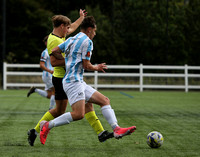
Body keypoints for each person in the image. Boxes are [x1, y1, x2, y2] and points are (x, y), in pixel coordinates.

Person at [39, 16, 136, 145]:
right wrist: (97, 67)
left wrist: (69, 60)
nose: (94, 34)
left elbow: (55, 50)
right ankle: (47, 125)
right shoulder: (88, 42)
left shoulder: (73, 38)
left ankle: (116, 129)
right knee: (79, 114)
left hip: (76, 81)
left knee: (104, 100)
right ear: (89, 30)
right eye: (94, 31)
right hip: (73, 82)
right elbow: (86, 65)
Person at [28, 10, 113, 146]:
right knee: (60, 111)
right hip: (62, 78)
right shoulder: (53, 41)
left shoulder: (61, 35)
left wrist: (81, 18)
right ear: (61, 26)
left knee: (87, 103)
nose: (69, 30)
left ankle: (101, 132)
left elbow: (74, 27)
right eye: (67, 27)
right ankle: (36, 130)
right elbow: (54, 62)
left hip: (69, 77)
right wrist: (73, 59)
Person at [27, 35, 55, 110]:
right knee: (56, 92)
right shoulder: (45, 52)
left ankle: (35, 90)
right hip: (48, 75)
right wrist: (50, 71)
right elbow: (41, 65)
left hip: (50, 75)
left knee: (50, 95)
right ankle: (51, 110)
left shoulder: (52, 51)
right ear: (46, 43)